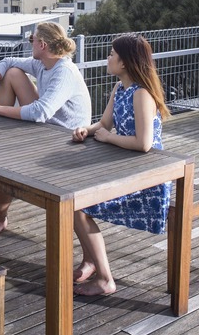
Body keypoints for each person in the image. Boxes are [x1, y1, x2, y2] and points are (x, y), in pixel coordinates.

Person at [69, 33, 173, 296]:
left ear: (124, 63)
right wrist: (87, 130)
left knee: (78, 208)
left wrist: (109, 138)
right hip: (126, 170)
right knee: (74, 203)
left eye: (112, 54)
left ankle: (105, 279)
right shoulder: (120, 89)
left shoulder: (142, 95)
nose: (108, 58)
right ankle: (91, 261)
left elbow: (144, 143)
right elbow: (103, 125)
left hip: (148, 181)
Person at [0, 21, 91, 238]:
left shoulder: (64, 71)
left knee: (4, 157)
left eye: (32, 40)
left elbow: (40, 112)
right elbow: (7, 61)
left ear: (43, 45)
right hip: (48, 127)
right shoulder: (43, 63)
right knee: (13, 73)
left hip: (66, 137)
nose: (30, 44)